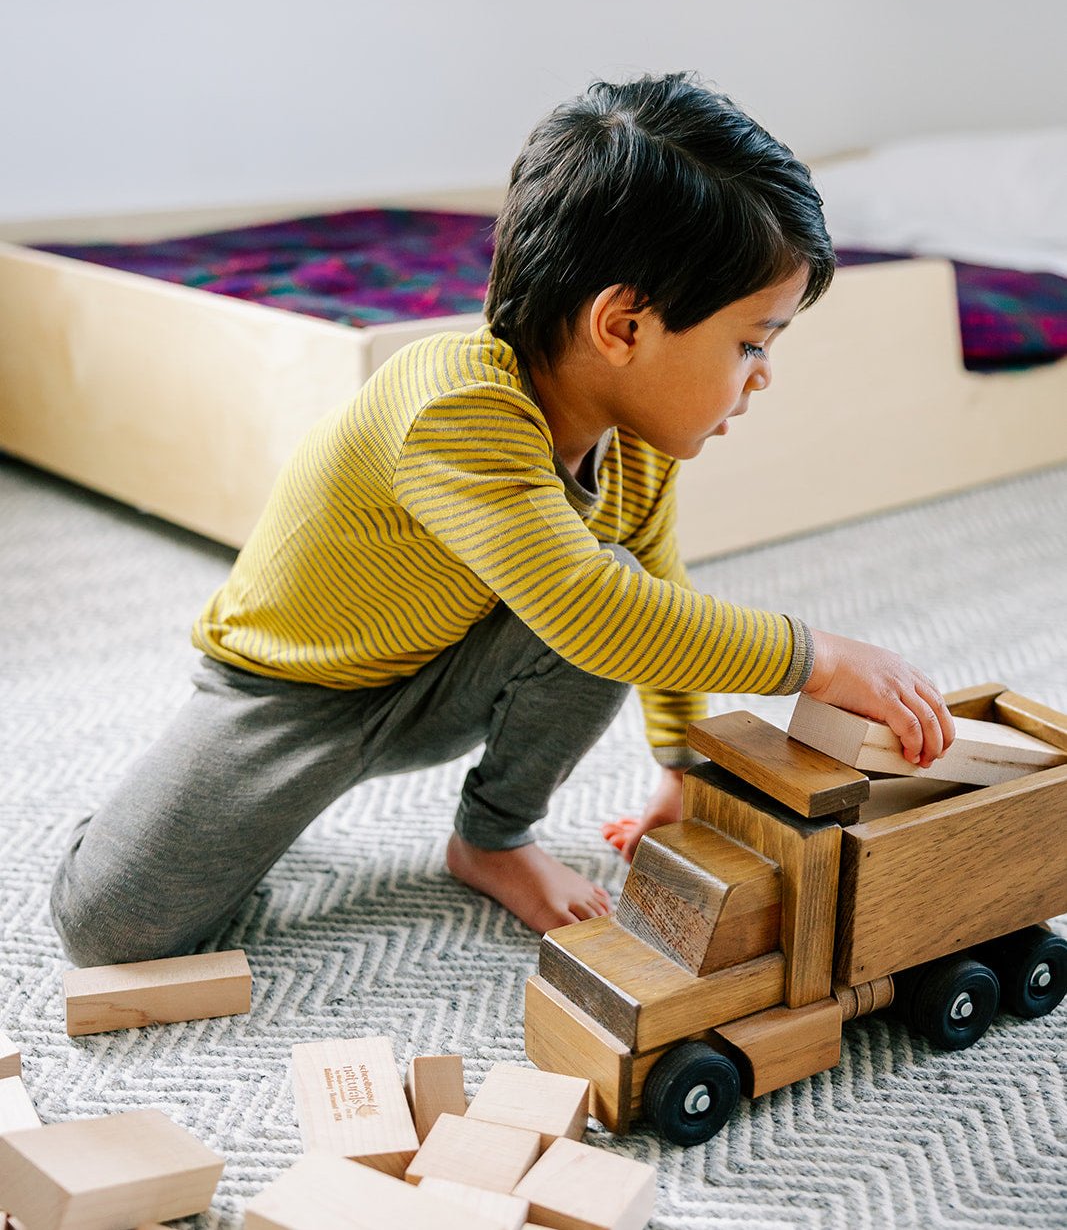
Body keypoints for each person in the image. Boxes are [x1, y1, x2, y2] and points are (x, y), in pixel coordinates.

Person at [50, 72, 955, 966]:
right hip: (291, 696)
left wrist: (680, 767)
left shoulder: (631, 441)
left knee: (627, 594)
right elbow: (588, 606)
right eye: (752, 342)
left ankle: (492, 838)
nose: (763, 375)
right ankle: (146, 806)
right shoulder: (451, 403)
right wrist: (820, 657)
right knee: (111, 929)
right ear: (623, 326)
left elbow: (651, 596)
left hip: (449, 667)